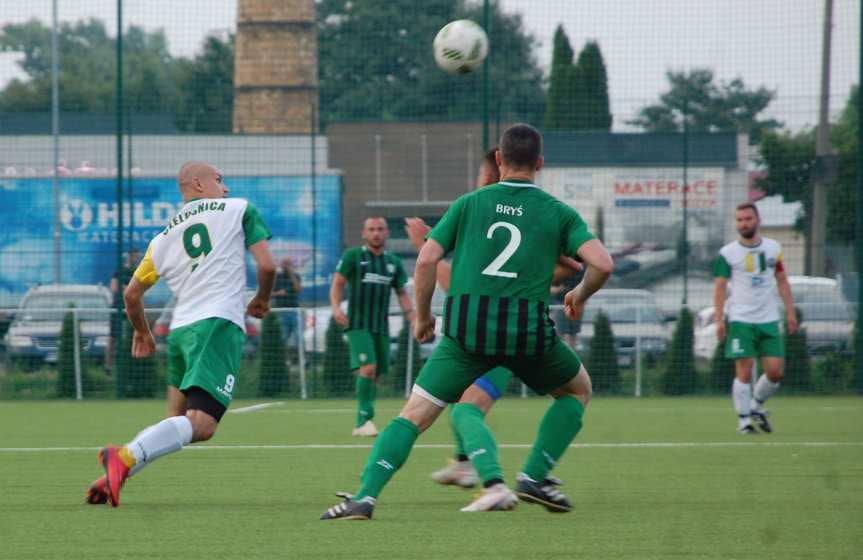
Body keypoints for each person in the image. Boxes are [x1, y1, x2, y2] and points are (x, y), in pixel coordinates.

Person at [321, 123, 613, 520]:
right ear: (540, 164)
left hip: (466, 333)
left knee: (414, 415)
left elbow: (425, 259)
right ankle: (534, 476)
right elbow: (601, 264)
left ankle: (364, 498)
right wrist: (579, 294)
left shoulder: (470, 203)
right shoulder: (558, 212)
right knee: (577, 391)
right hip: (527, 334)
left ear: (498, 159)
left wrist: (423, 318)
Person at [85, 161, 275, 507]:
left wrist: (143, 332)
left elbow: (131, 295)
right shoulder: (240, 209)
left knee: (176, 422)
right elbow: (268, 265)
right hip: (216, 326)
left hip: (180, 332)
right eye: (220, 180)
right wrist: (262, 298)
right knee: (202, 425)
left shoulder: (163, 238)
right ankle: (123, 459)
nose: (226, 188)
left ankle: (116, 472)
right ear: (199, 185)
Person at [404, 147, 582, 495]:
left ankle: (497, 482)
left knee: (464, 409)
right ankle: (477, 464)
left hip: (496, 331)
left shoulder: (481, 208)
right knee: (462, 406)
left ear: (492, 173)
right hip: (508, 327)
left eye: (478, 177)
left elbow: (454, 285)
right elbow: (575, 266)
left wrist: (422, 246)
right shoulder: (521, 216)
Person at [714, 202, 796, 435]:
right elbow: (720, 287)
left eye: (748, 219)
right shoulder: (727, 253)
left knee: (775, 373)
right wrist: (720, 319)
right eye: (739, 220)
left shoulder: (773, 248)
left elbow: (782, 280)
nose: (744, 223)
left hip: (769, 319)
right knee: (744, 370)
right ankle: (744, 423)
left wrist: (790, 312)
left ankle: (756, 407)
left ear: (757, 220)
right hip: (741, 319)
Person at [330, 217, 414, 437]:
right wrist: (336, 308)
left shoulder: (393, 262)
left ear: (386, 233)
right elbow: (338, 283)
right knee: (368, 368)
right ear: (364, 234)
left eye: (380, 229)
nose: (376, 233)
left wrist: (414, 318)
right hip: (357, 324)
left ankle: (363, 419)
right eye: (371, 229)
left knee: (374, 373)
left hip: (381, 327)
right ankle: (363, 421)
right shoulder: (353, 257)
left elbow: (402, 292)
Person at [106, 248, 140, 372]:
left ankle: (132, 364)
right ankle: (108, 366)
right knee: (113, 337)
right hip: (118, 306)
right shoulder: (119, 270)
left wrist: (128, 288)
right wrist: (128, 288)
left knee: (133, 335)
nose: (136, 258)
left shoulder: (137, 271)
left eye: (137, 256)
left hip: (132, 307)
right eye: (134, 256)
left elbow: (140, 289)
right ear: (129, 256)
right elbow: (114, 287)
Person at [272, 256, 302, 345]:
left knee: (298, 336)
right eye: (284, 263)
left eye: (288, 263)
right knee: (283, 336)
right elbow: (269, 293)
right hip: (281, 310)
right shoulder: (277, 277)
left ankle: (298, 357)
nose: (286, 266)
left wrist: (291, 274)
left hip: (294, 309)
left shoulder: (296, 276)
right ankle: (282, 356)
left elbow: (298, 289)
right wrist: (278, 293)